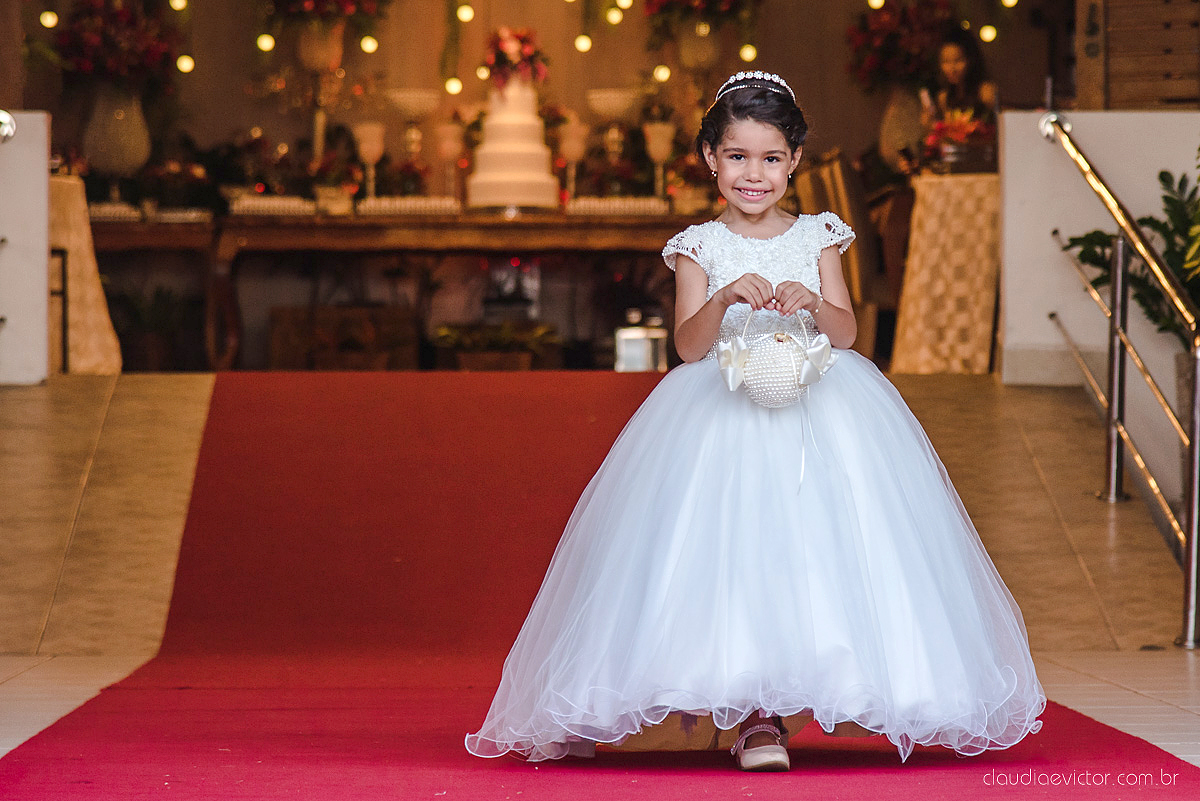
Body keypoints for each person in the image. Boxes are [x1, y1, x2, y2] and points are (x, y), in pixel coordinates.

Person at [465, 71, 1044, 772]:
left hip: (819, 413)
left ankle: (795, 705)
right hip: (719, 412)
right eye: (737, 156)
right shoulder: (698, 246)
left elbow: (847, 333)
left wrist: (813, 302)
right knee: (727, 553)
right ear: (710, 157)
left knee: (813, 550)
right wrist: (722, 299)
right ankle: (745, 712)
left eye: (771, 158)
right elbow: (688, 347)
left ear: (795, 159)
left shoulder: (820, 236)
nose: (753, 174)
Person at [921, 30, 999, 128]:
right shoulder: (944, 98)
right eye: (946, 61)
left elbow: (1001, 125)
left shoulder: (985, 91)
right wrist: (930, 125)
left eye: (958, 60)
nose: (952, 69)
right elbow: (949, 132)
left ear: (970, 60)